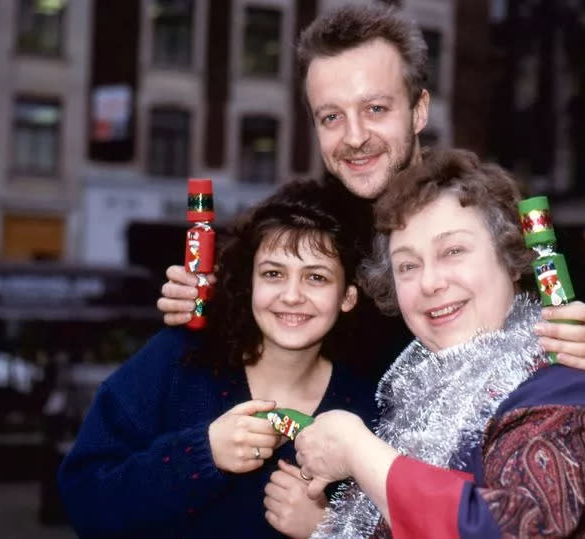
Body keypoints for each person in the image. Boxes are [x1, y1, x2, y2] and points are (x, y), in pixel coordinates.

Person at [157, 4, 585, 402]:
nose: (354, 138)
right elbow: (230, 339)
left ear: (419, 110)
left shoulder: (495, 215)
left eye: (375, 109)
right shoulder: (298, 228)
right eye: (331, 117)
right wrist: (205, 305)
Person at [294, 148, 585, 538]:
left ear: (512, 260)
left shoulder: (569, 393)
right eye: (408, 265)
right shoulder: (416, 405)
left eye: (453, 251)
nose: (430, 283)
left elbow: (507, 530)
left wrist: (359, 452)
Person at [56, 179, 378, 538]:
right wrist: (200, 456)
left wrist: (329, 531)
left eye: (316, 278)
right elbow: (84, 500)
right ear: (250, 282)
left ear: (347, 296)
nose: (291, 296)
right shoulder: (179, 360)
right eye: (273, 274)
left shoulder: (368, 410)